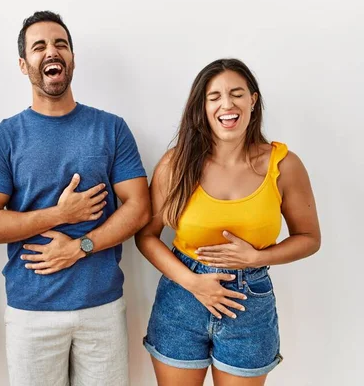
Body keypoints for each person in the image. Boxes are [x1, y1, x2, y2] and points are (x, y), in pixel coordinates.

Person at [0, 11, 150, 386]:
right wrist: (59, 214)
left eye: (60, 45)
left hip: (101, 307)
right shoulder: (1, 138)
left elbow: (139, 207)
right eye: (39, 47)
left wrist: (81, 246)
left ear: (71, 58)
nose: (51, 52)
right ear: (24, 64)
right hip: (31, 312)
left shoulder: (111, 128)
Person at [135, 58, 321, 385]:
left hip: (248, 304)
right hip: (182, 298)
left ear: (253, 100)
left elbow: (309, 237)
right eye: (214, 97)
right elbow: (146, 236)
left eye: (236, 93)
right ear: (202, 108)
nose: (227, 104)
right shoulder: (176, 163)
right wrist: (193, 283)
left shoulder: (284, 165)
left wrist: (259, 257)